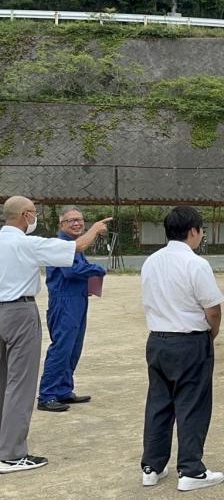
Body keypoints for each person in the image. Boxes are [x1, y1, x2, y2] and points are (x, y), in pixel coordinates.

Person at [0, 196, 109, 473]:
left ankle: (8, 443)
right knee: (21, 384)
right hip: (19, 311)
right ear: (25, 215)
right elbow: (76, 249)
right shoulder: (26, 243)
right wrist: (95, 230)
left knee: (5, 382)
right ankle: (12, 454)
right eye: (34, 213)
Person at [138, 206, 224, 491]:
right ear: (193, 231)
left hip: (158, 339)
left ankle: (152, 466)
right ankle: (191, 470)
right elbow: (212, 308)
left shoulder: (151, 261)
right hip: (189, 340)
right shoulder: (196, 264)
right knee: (193, 404)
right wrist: (210, 335)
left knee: (159, 403)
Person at [37, 206, 107, 413]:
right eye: (71, 221)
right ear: (61, 224)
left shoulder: (74, 245)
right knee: (62, 348)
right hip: (64, 302)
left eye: (80, 219)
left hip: (77, 300)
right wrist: (98, 268)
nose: (77, 223)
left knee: (74, 347)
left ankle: (63, 390)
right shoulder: (61, 245)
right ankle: (47, 394)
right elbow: (72, 271)